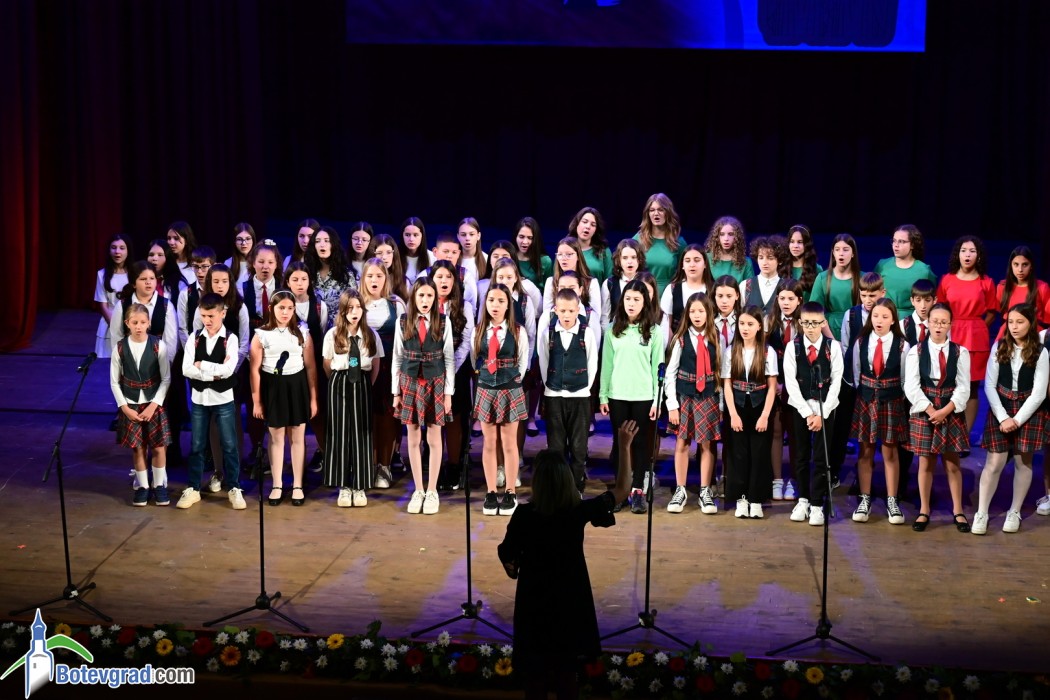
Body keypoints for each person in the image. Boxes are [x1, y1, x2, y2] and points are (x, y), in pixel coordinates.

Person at [497, 421, 635, 700]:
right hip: (569, 601)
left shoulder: (524, 516)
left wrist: (519, 562)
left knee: (535, 679)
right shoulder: (577, 512)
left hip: (535, 604)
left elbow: (508, 558)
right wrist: (624, 446)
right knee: (566, 676)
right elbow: (622, 489)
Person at [973, 303, 1048, 535]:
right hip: (1001, 408)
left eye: (1020, 322)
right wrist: (1004, 417)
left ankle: (1014, 511)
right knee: (994, 462)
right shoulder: (999, 347)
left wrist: (1018, 419)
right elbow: (989, 385)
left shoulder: (1041, 352)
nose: (1014, 327)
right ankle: (982, 512)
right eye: (1010, 322)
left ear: (1030, 323)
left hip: (1028, 411)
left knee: (1022, 462)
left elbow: (1039, 392)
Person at [902, 303, 971, 532]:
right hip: (926, 410)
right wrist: (931, 411)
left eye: (943, 322)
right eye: (935, 321)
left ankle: (958, 510)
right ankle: (924, 509)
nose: (939, 326)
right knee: (925, 461)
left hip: (949, 409)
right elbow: (911, 386)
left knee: (952, 462)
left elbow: (964, 387)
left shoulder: (960, 352)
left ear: (950, 324)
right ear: (928, 323)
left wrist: (946, 410)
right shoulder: (916, 351)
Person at [391, 276, 455, 514]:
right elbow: (397, 357)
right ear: (414, 297)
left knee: (434, 438)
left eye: (429, 295)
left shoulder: (443, 322)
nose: (425, 300)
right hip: (409, 382)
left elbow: (449, 358)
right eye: (421, 295)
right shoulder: (403, 321)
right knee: (413, 437)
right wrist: (395, 391)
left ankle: (432, 490)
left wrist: (448, 393)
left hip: (435, 382)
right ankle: (418, 489)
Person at [599, 280, 663, 514]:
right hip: (618, 395)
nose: (631, 303)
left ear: (645, 302)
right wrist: (603, 396)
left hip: (643, 396)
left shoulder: (654, 331)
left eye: (636, 299)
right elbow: (606, 365)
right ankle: (620, 492)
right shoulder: (612, 330)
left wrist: (657, 400)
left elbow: (658, 367)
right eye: (628, 299)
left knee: (641, 443)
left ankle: (637, 491)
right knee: (620, 444)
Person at [250, 290, 318, 508]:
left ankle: (297, 484)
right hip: (273, 388)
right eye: (281, 308)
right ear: (272, 309)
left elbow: (311, 368)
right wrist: (257, 401)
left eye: (290, 308)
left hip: (296, 387)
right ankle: (277, 484)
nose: (286, 312)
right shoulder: (261, 334)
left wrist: (313, 399)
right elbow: (255, 370)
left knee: (297, 437)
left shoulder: (303, 333)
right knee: (276, 438)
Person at [177, 293, 244, 510]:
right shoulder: (194, 337)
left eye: (211, 316)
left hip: (223, 398)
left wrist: (202, 365)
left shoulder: (230, 339)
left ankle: (234, 487)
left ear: (222, 314)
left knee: (229, 444)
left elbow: (228, 370)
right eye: (203, 315)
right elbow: (186, 369)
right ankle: (193, 488)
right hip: (199, 399)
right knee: (197, 445)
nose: (207, 320)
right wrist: (214, 372)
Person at [849, 298, 910, 525]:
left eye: (885, 317)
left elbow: (904, 379)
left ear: (893, 320)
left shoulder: (902, 345)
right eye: (875, 316)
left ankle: (892, 501)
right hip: (866, 401)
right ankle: (864, 499)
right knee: (865, 451)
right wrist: (868, 392)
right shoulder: (861, 342)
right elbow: (857, 373)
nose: (879, 321)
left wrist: (891, 394)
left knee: (890, 452)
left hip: (891, 402)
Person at [473, 284, 530, 515]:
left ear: (508, 305)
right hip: (486, 388)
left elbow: (523, 362)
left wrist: (512, 381)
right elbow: (475, 360)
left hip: (509, 388)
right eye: (491, 300)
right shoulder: (479, 330)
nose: (495, 305)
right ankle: (490, 492)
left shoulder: (517, 331)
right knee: (489, 442)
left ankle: (510, 492)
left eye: (500, 301)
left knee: (509, 442)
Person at [785, 302, 843, 526]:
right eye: (806, 323)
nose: (810, 328)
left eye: (815, 323)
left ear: (823, 323)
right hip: (800, 408)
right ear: (800, 323)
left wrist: (822, 413)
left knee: (821, 456)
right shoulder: (793, 347)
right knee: (801, 455)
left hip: (825, 407)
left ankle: (817, 503)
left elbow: (836, 382)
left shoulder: (832, 347)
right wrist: (807, 412)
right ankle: (803, 499)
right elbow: (791, 382)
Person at [322, 289, 382, 508]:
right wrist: (340, 380)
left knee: (361, 433)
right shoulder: (332, 334)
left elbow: (375, 365)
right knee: (340, 433)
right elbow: (327, 364)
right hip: (339, 383)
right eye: (350, 308)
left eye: (358, 308)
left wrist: (365, 384)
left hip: (362, 384)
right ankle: (344, 485)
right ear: (342, 311)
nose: (354, 312)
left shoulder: (370, 335)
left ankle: (360, 485)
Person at [664, 293, 722, 514]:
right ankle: (680, 490)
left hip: (708, 395)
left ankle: (705, 490)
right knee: (682, 442)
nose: (697, 315)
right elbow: (670, 373)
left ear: (709, 313)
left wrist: (722, 405)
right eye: (692, 311)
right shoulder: (680, 339)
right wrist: (672, 405)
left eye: (701, 311)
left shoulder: (716, 337)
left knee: (706, 444)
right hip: (685, 396)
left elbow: (721, 371)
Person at [538, 288, 599, 494]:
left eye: (571, 311)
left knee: (579, 446)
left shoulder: (586, 333)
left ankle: (576, 487)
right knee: (556, 446)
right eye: (562, 310)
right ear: (555, 310)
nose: (566, 315)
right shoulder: (548, 334)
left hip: (580, 396)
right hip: (554, 396)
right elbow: (544, 362)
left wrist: (584, 388)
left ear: (577, 310)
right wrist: (551, 385)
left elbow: (592, 362)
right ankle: (558, 488)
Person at [110, 303, 172, 506]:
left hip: (153, 404)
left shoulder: (158, 345)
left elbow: (166, 379)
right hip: (131, 405)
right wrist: (124, 408)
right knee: (138, 448)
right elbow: (114, 381)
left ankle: (159, 485)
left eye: (143, 322)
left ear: (149, 323)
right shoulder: (120, 347)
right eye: (134, 322)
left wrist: (154, 405)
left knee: (158, 446)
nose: (139, 326)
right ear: (127, 323)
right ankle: (143, 486)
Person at [936, 236, 997, 435]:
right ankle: (947, 431)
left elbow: (992, 311)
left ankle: (965, 435)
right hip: (951, 333)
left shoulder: (986, 282)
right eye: (963, 251)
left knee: (971, 387)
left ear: (978, 256)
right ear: (958, 254)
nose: (967, 255)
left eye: (972, 251)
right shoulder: (947, 279)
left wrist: (978, 328)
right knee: (949, 384)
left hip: (975, 337)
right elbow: (940, 308)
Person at [722, 305, 778, 518]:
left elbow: (772, 387)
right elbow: (727, 385)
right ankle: (741, 498)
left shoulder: (767, 352)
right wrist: (733, 414)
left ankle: (756, 499)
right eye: (742, 324)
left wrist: (765, 416)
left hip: (759, 406)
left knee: (759, 453)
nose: (745, 328)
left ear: (759, 326)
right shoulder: (731, 351)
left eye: (750, 324)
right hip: (737, 406)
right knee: (738, 453)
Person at [360, 257, 407, 489]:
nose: (374, 280)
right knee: (366, 418)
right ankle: (367, 464)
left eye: (379, 276)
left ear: (386, 278)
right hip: (362, 370)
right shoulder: (356, 303)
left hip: (389, 369)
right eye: (370, 276)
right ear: (363, 278)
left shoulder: (396, 304)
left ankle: (384, 466)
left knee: (387, 418)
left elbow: (404, 342)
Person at [428, 260, 474, 492]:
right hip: (428, 371)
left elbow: (467, 341)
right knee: (433, 420)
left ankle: (454, 466)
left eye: (448, 277)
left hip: (456, 370)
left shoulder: (464, 306)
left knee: (454, 418)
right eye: (439, 277)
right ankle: (433, 468)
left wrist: (450, 369)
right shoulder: (425, 303)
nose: (444, 281)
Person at [285, 260, 328, 471]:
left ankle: (326, 456)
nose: (300, 283)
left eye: (304, 279)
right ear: (287, 282)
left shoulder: (319, 305)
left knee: (317, 414)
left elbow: (322, 333)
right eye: (295, 279)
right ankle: (297, 467)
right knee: (293, 419)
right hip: (289, 369)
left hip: (314, 368)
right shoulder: (281, 305)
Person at [766, 278, 805, 501]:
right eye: (782, 298)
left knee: (796, 435)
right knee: (776, 431)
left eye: (791, 298)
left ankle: (795, 480)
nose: (786, 303)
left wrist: (790, 385)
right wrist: (776, 384)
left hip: (797, 387)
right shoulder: (770, 322)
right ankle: (777, 479)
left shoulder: (804, 324)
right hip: (775, 384)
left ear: (799, 300)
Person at [873, 225, 938, 319]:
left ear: (912, 245)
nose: (896, 245)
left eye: (901, 241)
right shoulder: (882, 265)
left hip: (911, 320)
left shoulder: (924, 271)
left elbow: (931, 299)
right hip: (884, 318)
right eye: (894, 241)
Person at [809, 233, 862, 344]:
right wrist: (832, 340)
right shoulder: (822, 278)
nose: (841, 253)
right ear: (833, 253)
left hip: (856, 329)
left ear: (853, 253)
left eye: (845, 250)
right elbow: (815, 311)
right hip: (829, 330)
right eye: (837, 249)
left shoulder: (863, 278)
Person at [634, 193, 685, 295]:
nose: (656, 213)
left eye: (660, 210)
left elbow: (685, 272)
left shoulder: (678, 242)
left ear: (668, 212)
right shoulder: (639, 240)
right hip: (644, 293)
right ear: (648, 214)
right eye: (652, 210)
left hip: (669, 293)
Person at [996, 246, 1050, 337]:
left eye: (1025, 265)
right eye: (1016, 264)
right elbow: (1000, 316)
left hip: (1033, 335)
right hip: (1008, 334)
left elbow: (1048, 319)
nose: (1020, 269)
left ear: (1031, 266)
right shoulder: (1003, 287)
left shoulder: (1042, 287)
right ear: (1011, 266)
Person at [659, 243, 713, 334]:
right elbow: (665, 324)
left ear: (705, 264)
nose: (692, 264)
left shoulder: (714, 289)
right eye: (687, 261)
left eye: (697, 260)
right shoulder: (672, 289)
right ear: (682, 265)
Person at [94, 234, 132, 359]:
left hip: (132, 324)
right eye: (114, 247)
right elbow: (103, 305)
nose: (117, 252)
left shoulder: (135, 273)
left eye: (122, 248)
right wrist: (115, 326)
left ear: (128, 250)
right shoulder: (102, 274)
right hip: (109, 324)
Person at [542, 237, 600, 312]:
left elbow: (596, 314)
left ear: (578, 256)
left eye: (569, 254)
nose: (563, 258)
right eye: (560, 254)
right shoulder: (551, 282)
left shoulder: (591, 283)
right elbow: (547, 313)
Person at [601, 239, 648, 331]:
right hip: (616, 332)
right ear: (619, 260)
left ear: (639, 259)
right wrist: (607, 335)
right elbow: (605, 316)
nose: (629, 261)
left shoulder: (646, 282)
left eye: (633, 257)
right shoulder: (610, 283)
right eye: (625, 258)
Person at [739, 236, 785, 316]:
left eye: (770, 258)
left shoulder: (785, 286)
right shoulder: (745, 285)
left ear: (780, 260)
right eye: (761, 258)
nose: (765, 262)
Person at [568, 206, 614, 284]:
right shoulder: (565, 248)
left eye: (593, 225)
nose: (588, 226)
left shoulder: (603, 251)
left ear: (596, 230)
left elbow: (610, 282)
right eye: (584, 222)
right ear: (577, 224)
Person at [704, 216, 755, 284]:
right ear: (717, 237)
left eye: (730, 234)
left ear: (737, 237)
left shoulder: (746, 262)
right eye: (722, 234)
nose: (726, 239)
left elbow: (750, 288)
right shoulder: (707, 258)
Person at [514, 216, 553, 289]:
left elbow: (549, 290)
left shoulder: (545, 261)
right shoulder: (510, 258)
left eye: (530, 238)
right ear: (515, 237)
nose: (525, 242)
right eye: (521, 237)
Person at [785, 224, 822, 296]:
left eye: (800, 242)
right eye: (792, 241)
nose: (795, 246)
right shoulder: (782, 267)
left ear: (807, 244)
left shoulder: (816, 269)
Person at [398, 217, 434, 286]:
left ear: (422, 236)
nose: (411, 239)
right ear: (402, 236)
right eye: (407, 235)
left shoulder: (432, 257)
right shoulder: (395, 256)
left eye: (415, 235)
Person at [166, 220, 198, 286]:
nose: (171, 242)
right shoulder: (166, 262)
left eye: (176, 238)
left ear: (186, 240)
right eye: (169, 238)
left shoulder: (196, 262)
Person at [225, 222, 256, 288]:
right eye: (239, 239)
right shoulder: (228, 263)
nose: (244, 243)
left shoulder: (259, 263)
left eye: (248, 239)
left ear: (253, 240)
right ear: (234, 241)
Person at [457, 216, 488, 281]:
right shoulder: (453, 259)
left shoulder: (487, 259)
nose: (467, 238)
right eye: (463, 235)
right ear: (458, 237)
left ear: (478, 236)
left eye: (471, 234)